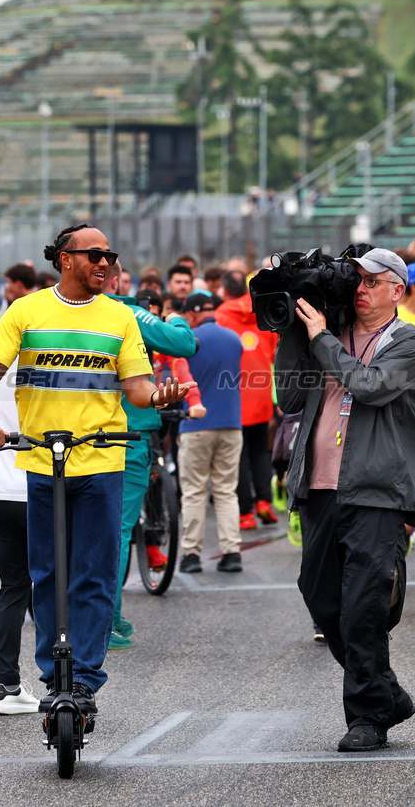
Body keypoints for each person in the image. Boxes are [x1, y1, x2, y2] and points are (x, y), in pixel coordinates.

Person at [0, 224, 190, 731]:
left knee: (94, 576)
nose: (105, 263)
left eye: (109, 255)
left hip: (102, 463)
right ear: (65, 259)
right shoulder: (25, 311)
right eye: (94, 255)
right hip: (41, 463)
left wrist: (160, 396)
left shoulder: (120, 316)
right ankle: (54, 679)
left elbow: (136, 388)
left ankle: (85, 681)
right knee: (46, 575)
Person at [276, 247, 415, 752]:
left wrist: (321, 336)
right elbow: (288, 398)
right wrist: (293, 333)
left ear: (397, 290)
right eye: (355, 280)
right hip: (320, 484)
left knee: (363, 607)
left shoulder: (407, 341)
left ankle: (367, 717)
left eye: (370, 281)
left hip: (378, 490)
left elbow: (367, 386)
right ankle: (387, 693)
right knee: (320, 598)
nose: (359, 288)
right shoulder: (328, 334)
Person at [104, 261, 196, 649]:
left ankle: (96, 615)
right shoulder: (125, 311)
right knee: (116, 531)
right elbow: (182, 344)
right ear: (115, 280)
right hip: (127, 434)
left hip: (71, 437)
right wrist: (176, 318)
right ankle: (104, 618)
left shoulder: (56, 309)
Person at [0, 358, 40, 714]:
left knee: (13, 586)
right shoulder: (53, 361)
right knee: (51, 584)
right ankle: (61, 682)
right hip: (39, 486)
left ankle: (7, 685)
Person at [175, 293, 244, 574]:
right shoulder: (233, 339)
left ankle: (191, 555)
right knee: (227, 491)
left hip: (196, 425)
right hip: (231, 424)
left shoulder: (188, 339)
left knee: (193, 492)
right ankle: (232, 553)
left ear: (191, 313)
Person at [214, 271, 279, 529]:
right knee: (260, 450)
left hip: (231, 395)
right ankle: (264, 501)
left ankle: (245, 513)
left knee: (237, 456)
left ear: (225, 289)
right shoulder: (264, 313)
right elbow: (277, 356)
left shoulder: (220, 317)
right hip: (261, 393)